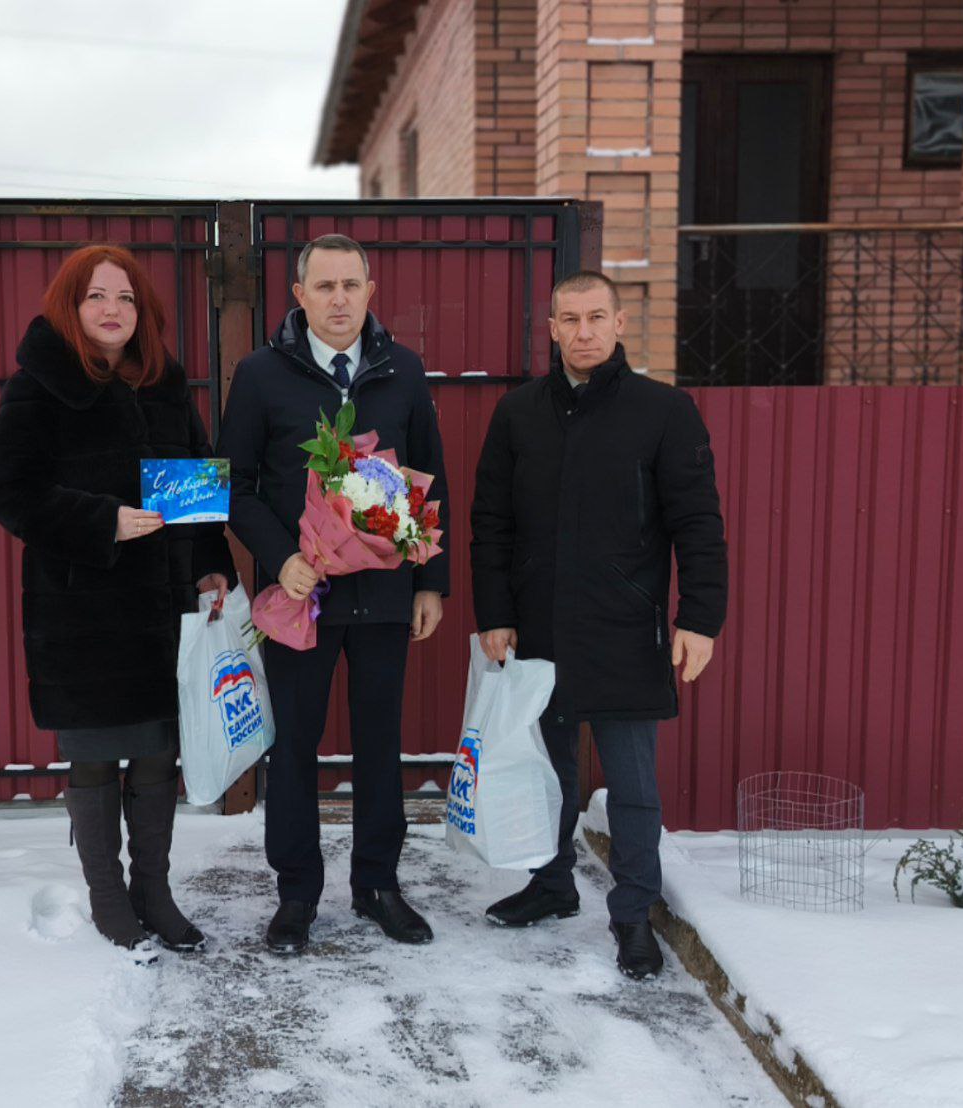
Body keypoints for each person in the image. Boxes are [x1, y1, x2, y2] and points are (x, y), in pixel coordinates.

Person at [469, 270, 727, 980]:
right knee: (544, 770)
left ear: (619, 324)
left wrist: (699, 618)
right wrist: (494, 613)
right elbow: (491, 523)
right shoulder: (518, 413)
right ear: (551, 329)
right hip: (538, 632)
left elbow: (698, 524)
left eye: (596, 318)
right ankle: (551, 886)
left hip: (624, 629)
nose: (583, 332)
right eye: (569, 320)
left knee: (633, 786)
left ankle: (633, 914)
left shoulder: (664, 411)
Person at [0, 245, 235, 955]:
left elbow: (195, 484)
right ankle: (107, 895)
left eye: (125, 298)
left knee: (157, 755)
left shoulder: (162, 382)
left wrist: (213, 562)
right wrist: (104, 520)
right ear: (71, 304)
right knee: (95, 756)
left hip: (161, 607)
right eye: (96, 296)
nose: (112, 310)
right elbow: (11, 492)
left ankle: (153, 892)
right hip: (82, 613)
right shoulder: (39, 387)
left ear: (142, 310)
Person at [218, 234, 450, 954]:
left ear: (371, 290)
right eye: (325, 286)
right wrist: (281, 556)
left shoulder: (402, 371)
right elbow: (238, 484)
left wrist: (431, 583)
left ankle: (378, 885)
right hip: (301, 596)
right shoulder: (261, 375)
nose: (340, 299)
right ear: (300, 296)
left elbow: (429, 480)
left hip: (384, 596)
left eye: (352, 285)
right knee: (294, 749)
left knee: (381, 744)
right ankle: (296, 896)